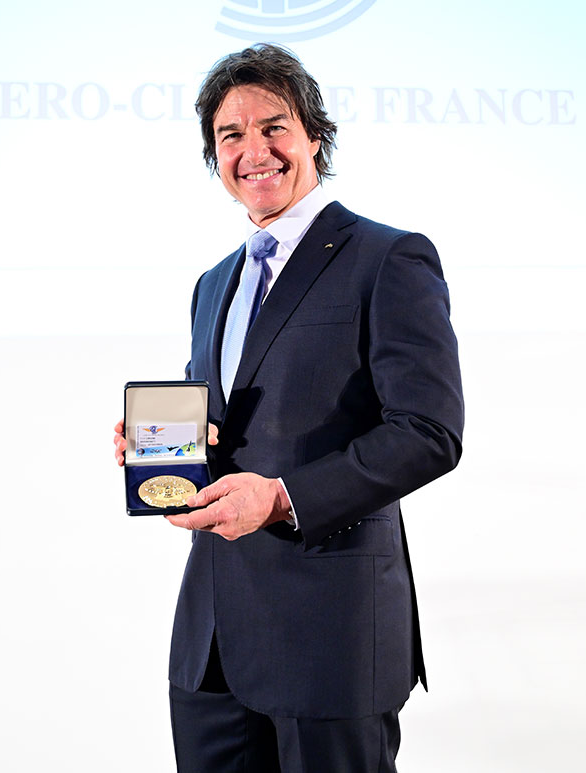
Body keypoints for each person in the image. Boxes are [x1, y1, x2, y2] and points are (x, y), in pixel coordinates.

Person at [114, 43, 464, 772]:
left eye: (273, 126)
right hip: (212, 643)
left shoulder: (387, 258)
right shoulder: (214, 284)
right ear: (215, 160)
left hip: (329, 640)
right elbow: (222, 430)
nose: (253, 151)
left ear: (313, 136)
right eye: (229, 136)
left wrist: (280, 498)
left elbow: (429, 431)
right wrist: (161, 447)